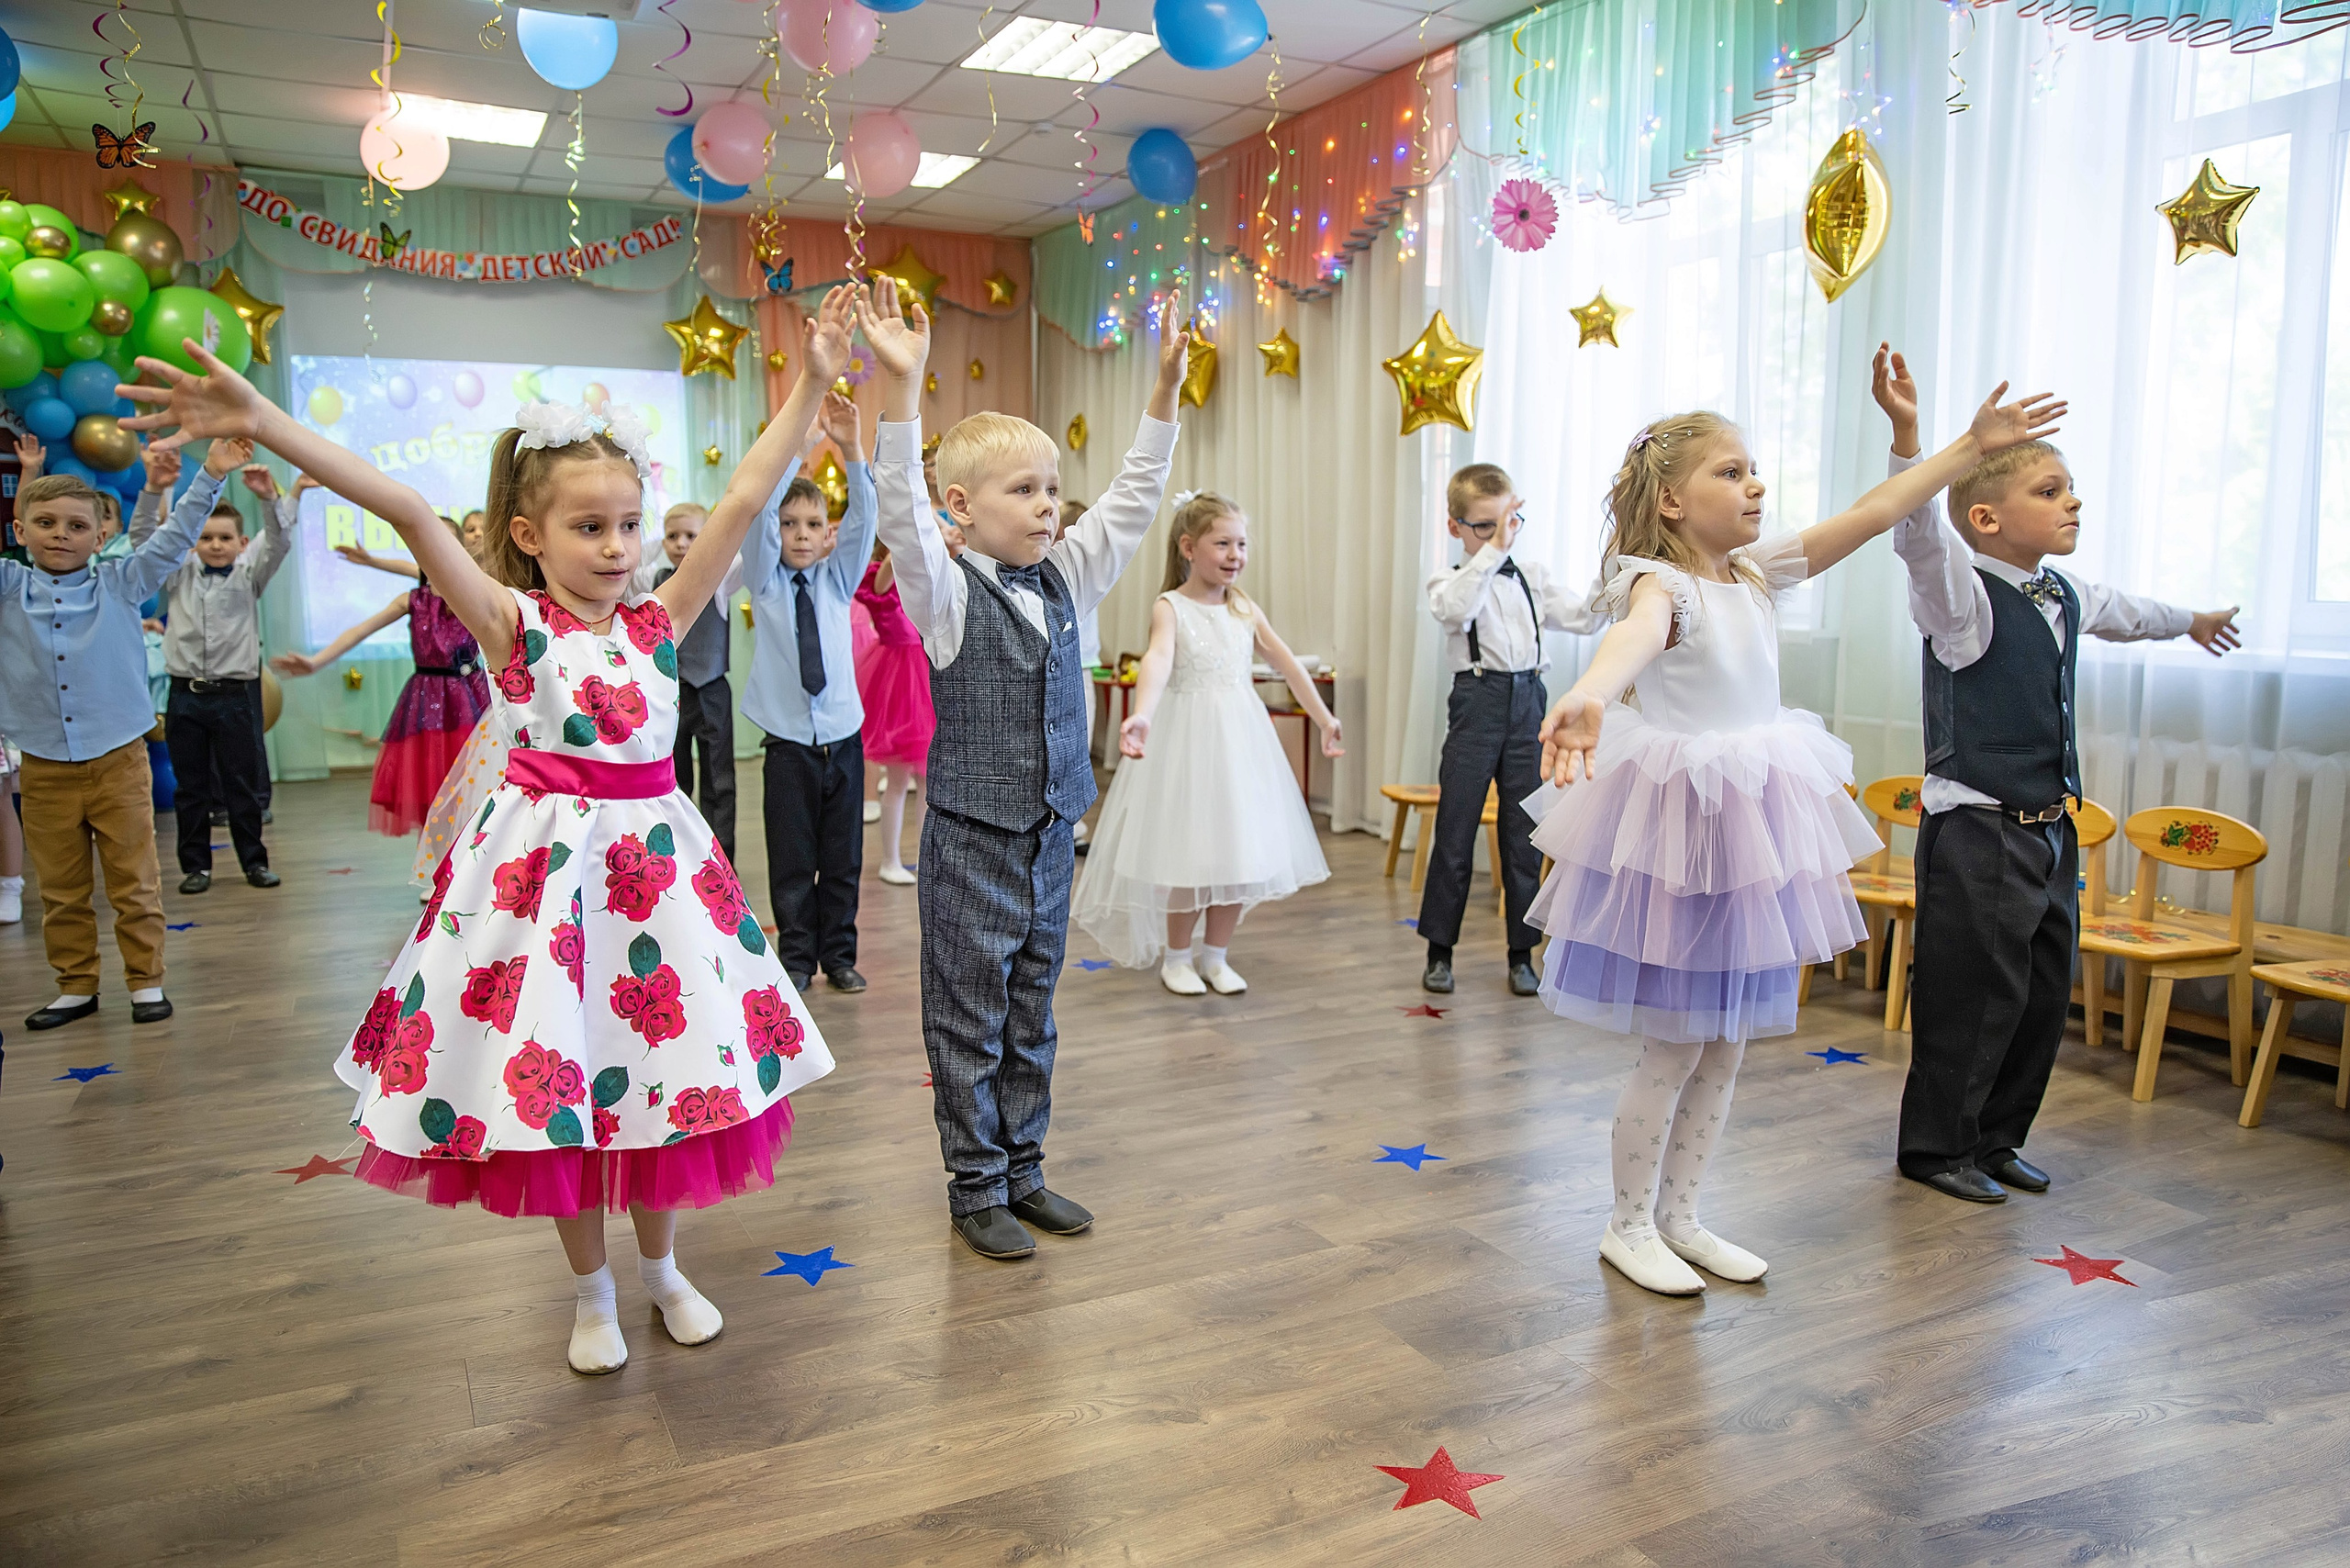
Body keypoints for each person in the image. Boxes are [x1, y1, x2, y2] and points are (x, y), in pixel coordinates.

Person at [121, 293, 855, 1374]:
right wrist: (267, 421)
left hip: (660, 894)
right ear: (528, 535)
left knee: (664, 1081)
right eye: (587, 527)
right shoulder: (516, 627)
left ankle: (660, 1270)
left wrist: (814, 378)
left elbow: (745, 498)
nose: (616, 547)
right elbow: (413, 511)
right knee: (561, 1083)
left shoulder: (661, 618)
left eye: (626, 525)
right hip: (546, 899)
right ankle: (592, 1290)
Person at [1526, 378, 2064, 1296]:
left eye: (1755, 471)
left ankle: (1683, 1215)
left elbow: (1876, 510)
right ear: (1670, 499)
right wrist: (1588, 693)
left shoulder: (1754, 573)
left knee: (1726, 1039)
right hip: (1682, 831)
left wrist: (1960, 447)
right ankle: (1626, 1223)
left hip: (1752, 825)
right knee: (1675, 1042)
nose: (1754, 485)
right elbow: (1631, 639)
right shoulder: (1661, 585)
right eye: (1730, 472)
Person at [861, 276, 1191, 1261]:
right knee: (967, 1019)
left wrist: (1164, 391)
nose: (1048, 505)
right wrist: (902, 388)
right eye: (1024, 490)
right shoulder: (945, 592)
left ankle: (1024, 1170)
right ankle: (973, 1187)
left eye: (1052, 488)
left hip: (1053, 836)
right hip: (971, 839)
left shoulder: (1069, 575)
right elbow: (898, 514)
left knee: (1031, 1010)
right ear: (959, 508)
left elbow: (1133, 499)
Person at [1874, 346, 2244, 1204]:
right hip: (1977, 831)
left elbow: (2132, 612)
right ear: (1987, 520)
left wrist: (2193, 622)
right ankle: (1937, 1149)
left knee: (2041, 996)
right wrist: (1912, 438)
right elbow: (1918, 538)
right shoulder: (1960, 601)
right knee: (1974, 997)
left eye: (2069, 487)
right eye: (2048, 491)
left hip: (2049, 832)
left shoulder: (2063, 594)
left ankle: (1999, 1139)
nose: (2071, 500)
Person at [0, 440, 244, 1030]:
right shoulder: (9, 587)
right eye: (46, 523)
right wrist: (29, 473)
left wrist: (210, 472)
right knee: (59, 888)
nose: (62, 534)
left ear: (99, 535)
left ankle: (145, 982)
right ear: (20, 529)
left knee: (134, 882)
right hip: (43, 764)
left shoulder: (121, 581)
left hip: (118, 761)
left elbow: (177, 533)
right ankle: (76, 986)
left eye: (77, 525)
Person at [1073, 489, 1339, 993]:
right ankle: (1177, 957)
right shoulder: (1170, 607)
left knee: (1238, 855)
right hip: (1188, 745)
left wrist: (1324, 718)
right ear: (1188, 548)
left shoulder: (1243, 607)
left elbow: (1285, 662)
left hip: (1241, 745)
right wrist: (1142, 716)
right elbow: (1158, 660)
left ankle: (1215, 956)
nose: (1235, 555)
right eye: (1223, 543)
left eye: (1241, 543)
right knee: (1190, 855)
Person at [1419, 465, 1606, 999]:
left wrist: (1614, 562)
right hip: (1477, 702)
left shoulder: (1533, 577)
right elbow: (1456, 611)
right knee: (1455, 829)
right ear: (1456, 527)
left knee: (1524, 834)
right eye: (1483, 526)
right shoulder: (1448, 581)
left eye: (1507, 522)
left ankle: (1521, 954)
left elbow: (1587, 618)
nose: (1500, 535)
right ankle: (1439, 951)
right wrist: (1492, 552)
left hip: (1531, 704)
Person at [743, 390, 877, 994]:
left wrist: (850, 450)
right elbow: (757, 520)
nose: (801, 535)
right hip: (790, 746)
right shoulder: (766, 584)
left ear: (829, 534)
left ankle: (840, 955)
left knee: (842, 858)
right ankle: (797, 959)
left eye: (814, 525)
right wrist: (794, 457)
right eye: (790, 525)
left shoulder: (838, 580)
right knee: (794, 859)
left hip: (844, 741)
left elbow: (866, 520)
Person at [272, 520, 490, 841]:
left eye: (445, 542)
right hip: (427, 701)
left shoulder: (476, 592)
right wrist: (316, 661)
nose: (435, 549)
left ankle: (470, 863)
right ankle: (431, 866)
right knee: (429, 783)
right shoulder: (413, 600)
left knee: (473, 783)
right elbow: (361, 630)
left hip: (469, 700)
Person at [159, 466, 297, 893]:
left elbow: (278, 541)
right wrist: (160, 488)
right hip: (185, 696)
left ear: (240, 544)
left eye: (224, 538)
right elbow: (153, 534)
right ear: (193, 543)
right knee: (192, 787)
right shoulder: (177, 576)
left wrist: (268, 499)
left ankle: (254, 863)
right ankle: (196, 867)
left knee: (242, 784)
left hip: (235, 697)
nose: (215, 545)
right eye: (205, 538)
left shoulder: (249, 576)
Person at [631, 502, 744, 863]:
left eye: (692, 536)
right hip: (668, 694)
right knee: (672, 779)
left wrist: (708, 542)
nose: (681, 543)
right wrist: (656, 538)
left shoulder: (721, 580)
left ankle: (722, 860)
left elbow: (735, 551)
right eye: (672, 536)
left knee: (719, 781)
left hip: (711, 689)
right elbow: (634, 559)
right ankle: (677, 861)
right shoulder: (650, 580)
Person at [856, 536, 935, 887]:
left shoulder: (920, 574)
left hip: (928, 678)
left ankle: (925, 856)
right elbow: (882, 581)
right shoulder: (878, 575)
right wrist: (904, 536)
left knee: (928, 782)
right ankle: (890, 859)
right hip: (897, 683)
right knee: (900, 780)